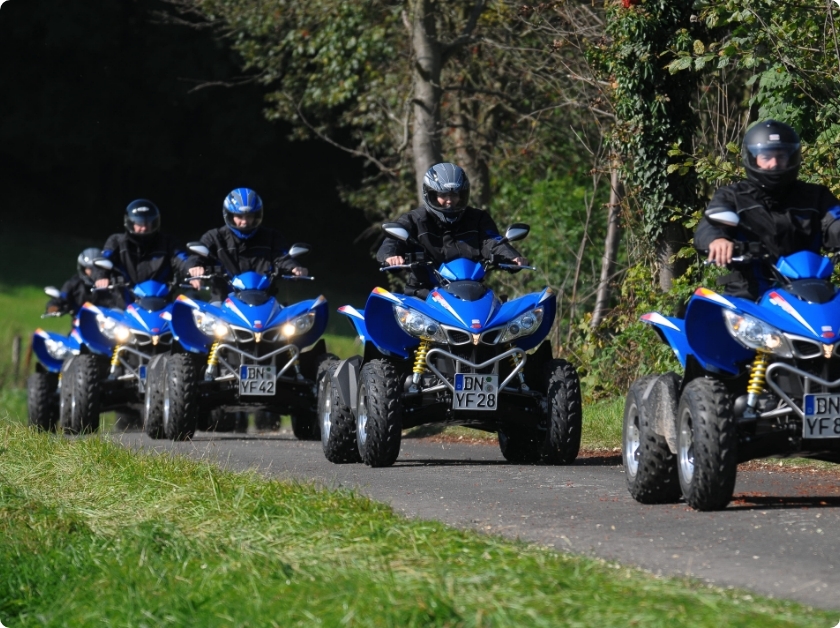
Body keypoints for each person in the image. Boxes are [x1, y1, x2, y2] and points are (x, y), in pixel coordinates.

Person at [696, 119, 840, 299]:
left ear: (792, 157)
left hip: (810, 295)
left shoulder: (816, 196)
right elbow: (709, 226)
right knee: (714, 320)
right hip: (750, 298)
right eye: (766, 157)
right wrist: (717, 239)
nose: (774, 163)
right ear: (753, 159)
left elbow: (835, 219)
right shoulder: (733, 196)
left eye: (781, 156)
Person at [376, 162, 527, 297]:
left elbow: (492, 241)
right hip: (423, 295)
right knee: (393, 315)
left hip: (471, 295)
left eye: (455, 194)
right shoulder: (414, 219)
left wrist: (512, 257)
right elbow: (393, 240)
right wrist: (391, 256)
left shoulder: (478, 218)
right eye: (443, 195)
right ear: (431, 195)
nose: (450, 200)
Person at [187, 187, 308, 301]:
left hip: (264, 303)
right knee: (199, 318)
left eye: (249, 216)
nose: (244, 221)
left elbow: (282, 257)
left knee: (297, 318)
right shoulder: (215, 237)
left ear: (257, 215)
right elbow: (197, 256)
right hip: (223, 303)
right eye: (239, 216)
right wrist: (195, 268)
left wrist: (294, 268)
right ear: (229, 215)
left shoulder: (271, 237)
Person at [92, 199, 190, 308]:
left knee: (187, 316)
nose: (144, 228)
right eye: (139, 223)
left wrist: (192, 270)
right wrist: (101, 276)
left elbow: (183, 259)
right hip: (124, 308)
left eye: (148, 223)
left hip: (162, 307)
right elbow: (104, 259)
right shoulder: (117, 242)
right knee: (105, 320)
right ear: (130, 223)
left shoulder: (168, 242)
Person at [45, 247, 102, 317]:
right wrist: (53, 308)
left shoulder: (112, 283)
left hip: (110, 323)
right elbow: (62, 298)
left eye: (97, 268)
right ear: (83, 268)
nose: (94, 272)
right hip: (81, 322)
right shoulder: (74, 284)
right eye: (90, 268)